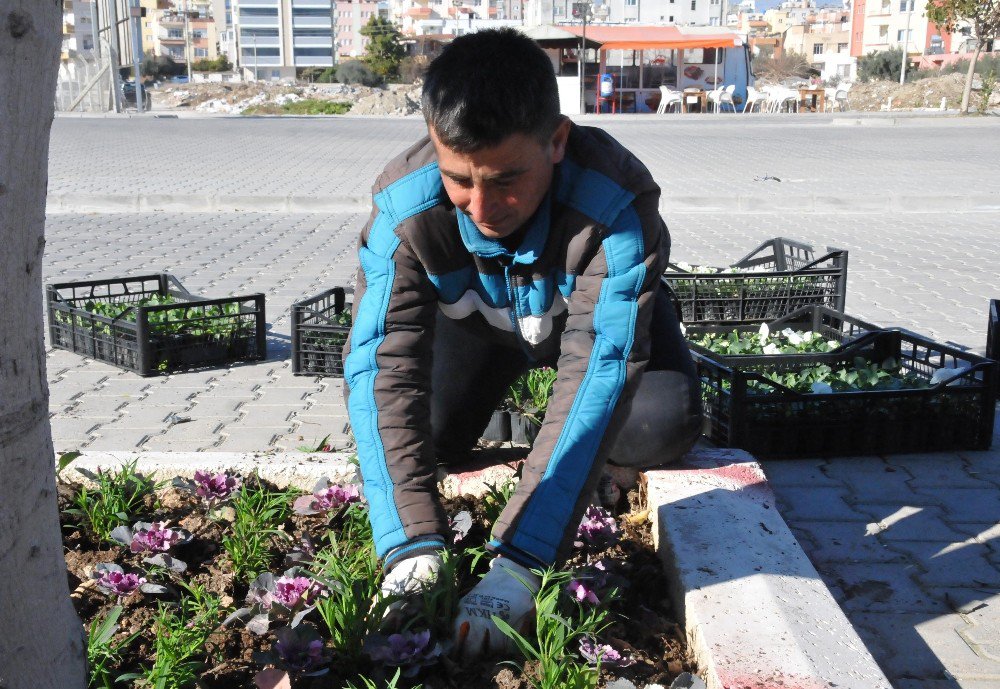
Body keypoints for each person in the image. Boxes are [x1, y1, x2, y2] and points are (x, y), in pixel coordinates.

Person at [342, 27, 701, 661]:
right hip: (479, 326)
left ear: (557, 141)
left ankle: (574, 458)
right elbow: (381, 361)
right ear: (434, 143)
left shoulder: (614, 201)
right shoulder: (403, 208)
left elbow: (603, 361)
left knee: (659, 425)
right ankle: (542, 439)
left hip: (585, 330)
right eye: (460, 179)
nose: (483, 206)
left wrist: (522, 558)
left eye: (508, 178)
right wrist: (411, 545)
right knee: (428, 432)